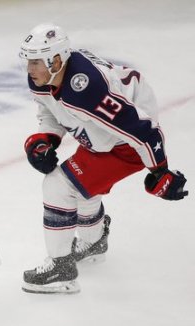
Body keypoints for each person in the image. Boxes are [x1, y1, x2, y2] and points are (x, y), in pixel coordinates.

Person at [18, 23, 188, 294]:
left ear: (57, 60)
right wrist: (46, 138)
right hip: (107, 136)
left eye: (37, 62)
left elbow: (143, 130)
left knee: (58, 186)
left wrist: (160, 171)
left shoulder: (87, 89)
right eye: (28, 60)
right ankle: (93, 241)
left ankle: (61, 270)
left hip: (127, 143)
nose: (30, 69)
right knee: (80, 183)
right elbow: (50, 108)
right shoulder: (46, 77)